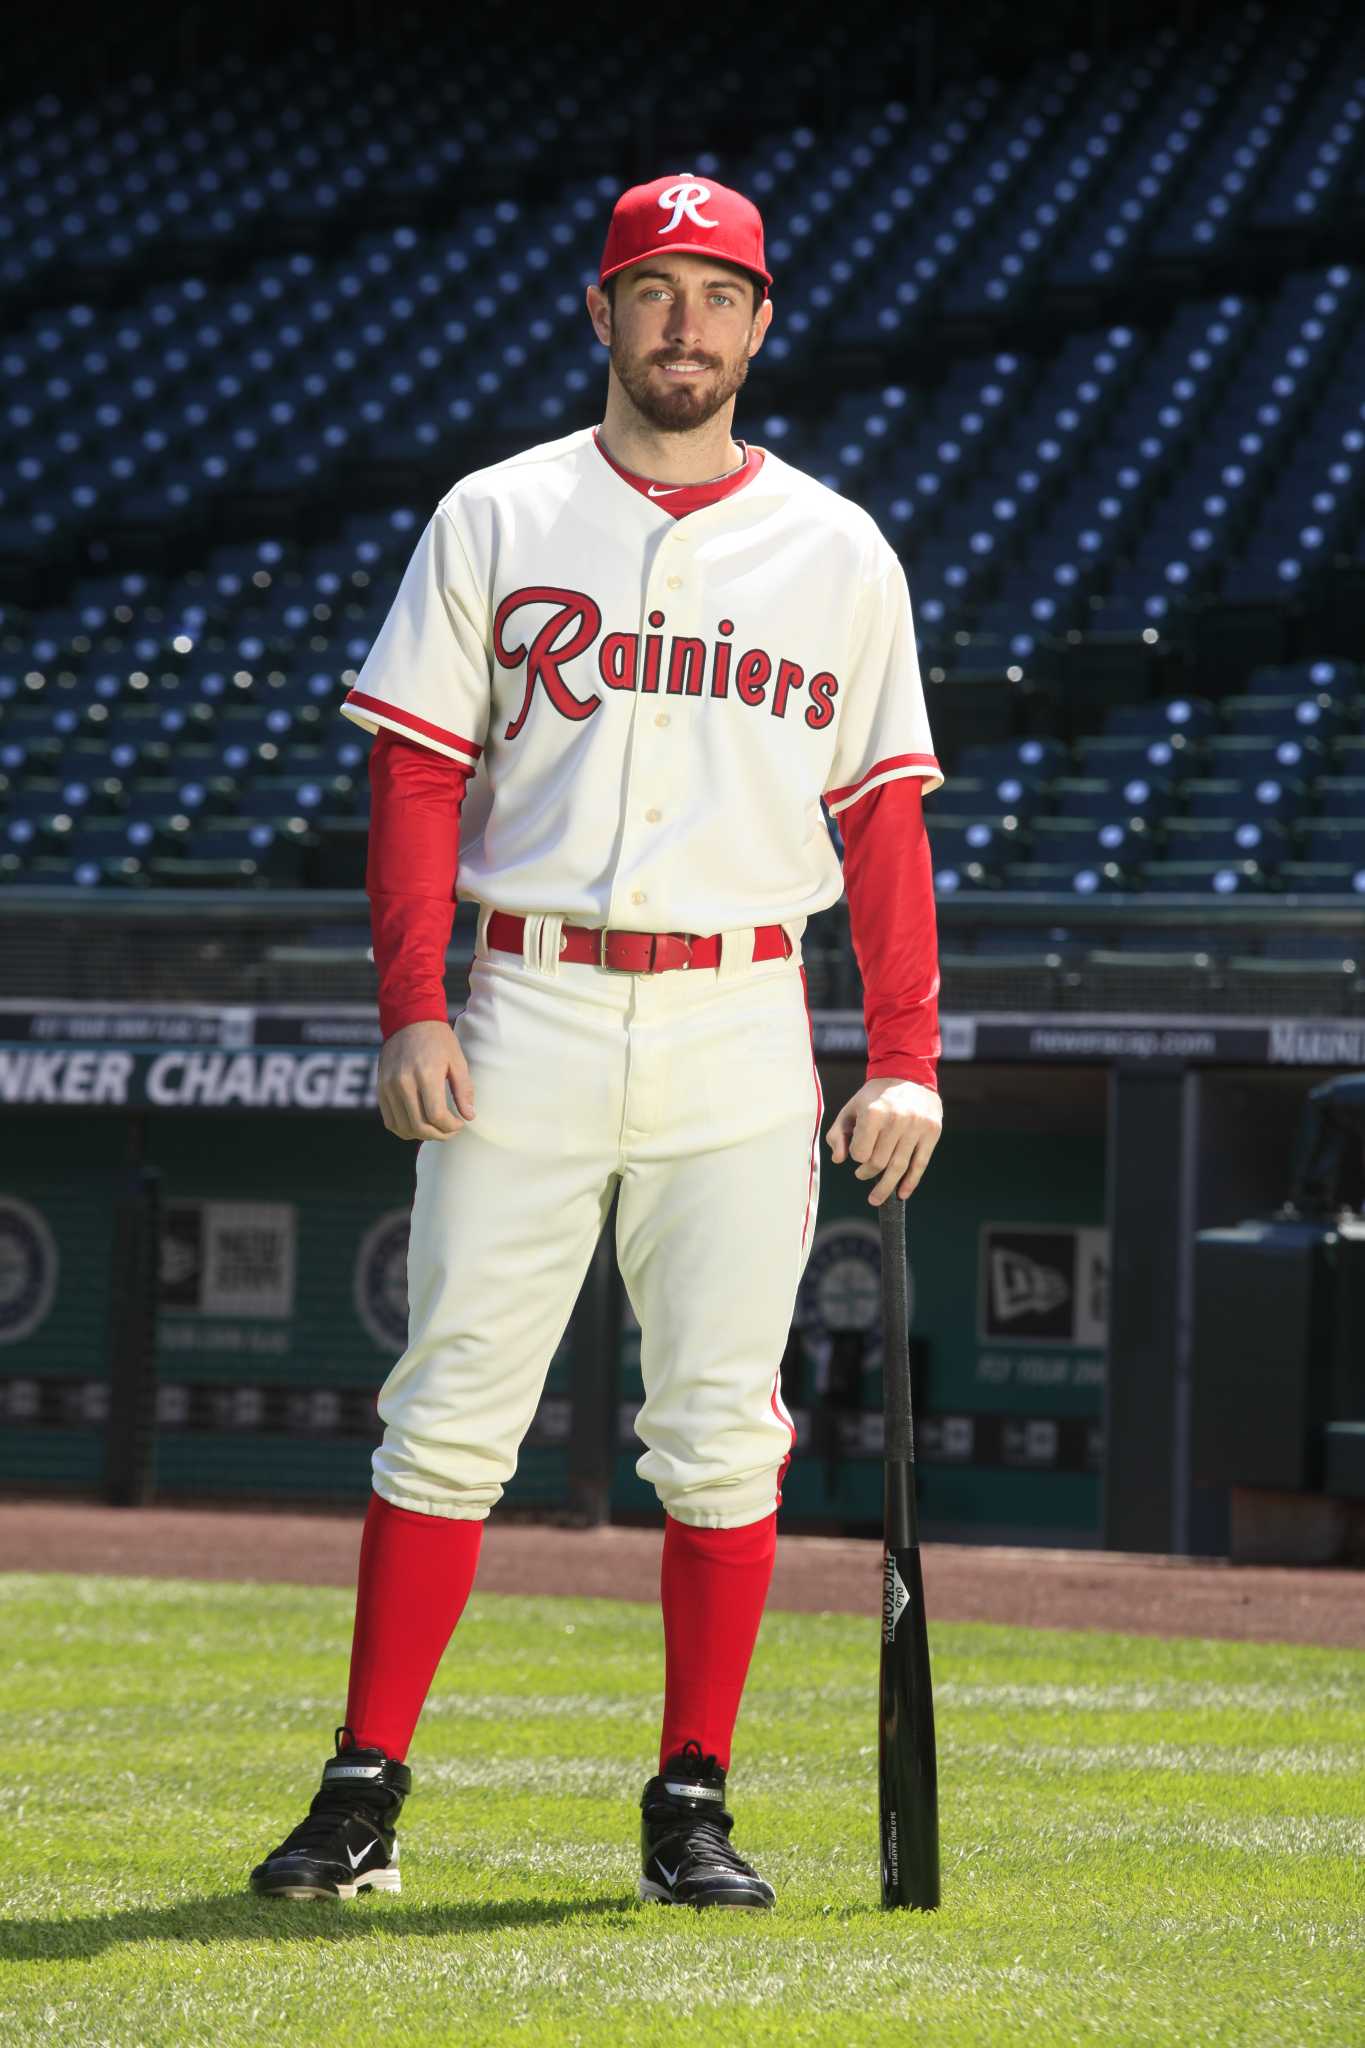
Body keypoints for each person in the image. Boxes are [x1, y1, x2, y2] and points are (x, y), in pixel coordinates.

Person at [250, 173, 944, 1910]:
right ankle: (361, 1791)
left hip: (739, 1014)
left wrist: (907, 1049)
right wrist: (414, 1003)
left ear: (761, 322)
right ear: (600, 310)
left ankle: (689, 1799)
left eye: (719, 294)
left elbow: (883, 822)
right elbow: (414, 775)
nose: (685, 324)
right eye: (655, 291)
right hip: (531, 999)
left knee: (720, 1427)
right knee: (449, 1416)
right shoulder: (497, 513)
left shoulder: (839, 548)